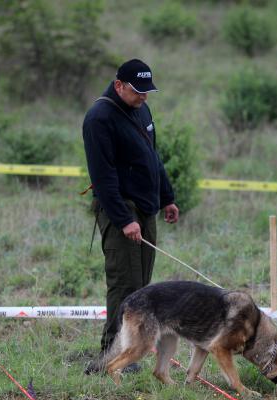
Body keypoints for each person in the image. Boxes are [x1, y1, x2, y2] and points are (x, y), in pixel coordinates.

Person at [82, 58, 179, 373]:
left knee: (142, 287)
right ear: (119, 84)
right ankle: (111, 356)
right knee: (125, 285)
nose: (144, 97)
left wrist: (167, 197)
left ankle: (131, 350)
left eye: (148, 91)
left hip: (147, 207)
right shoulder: (99, 118)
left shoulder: (142, 109)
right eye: (138, 91)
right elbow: (103, 176)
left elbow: (154, 156)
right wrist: (124, 220)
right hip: (120, 209)